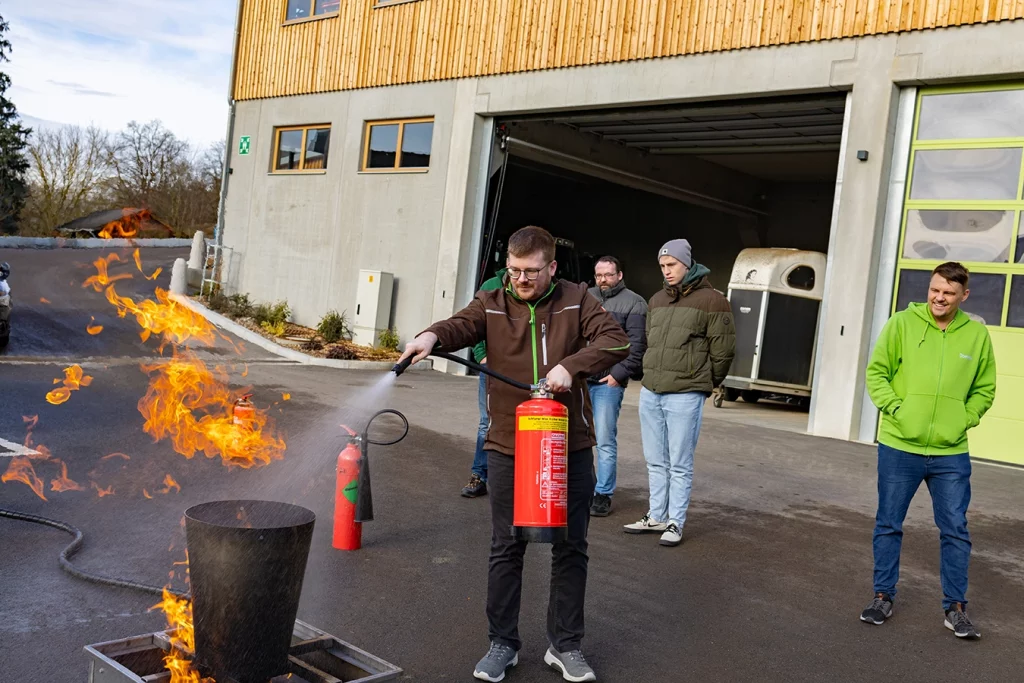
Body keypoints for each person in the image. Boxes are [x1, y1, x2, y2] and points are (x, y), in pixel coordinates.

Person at [398, 225, 629, 683]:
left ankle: (565, 646)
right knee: (506, 546)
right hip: (508, 443)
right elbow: (459, 324)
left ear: (552, 267)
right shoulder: (492, 300)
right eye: (514, 271)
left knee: (570, 547)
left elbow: (616, 342)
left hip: (569, 445)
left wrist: (570, 366)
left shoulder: (578, 298)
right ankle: (502, 643)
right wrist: (430, 337)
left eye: (530, 271)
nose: (520, 280)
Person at [860, 261, 996, 639]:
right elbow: (877, 373)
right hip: (899, 445)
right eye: (935, 289)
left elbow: (985, 389)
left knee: (955, 528)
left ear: (963, 296)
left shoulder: (976, 335)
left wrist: (963, 419)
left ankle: (955, 607)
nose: (939, 297)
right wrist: (899, 410)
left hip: (951, 451)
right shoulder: (902, 324)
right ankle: (882, 595)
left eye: (949, 293)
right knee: (888, 523)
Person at [624, 239, 735, 547]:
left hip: (686, 392)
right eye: (662, 266)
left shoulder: (713, 300)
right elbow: (648, 342)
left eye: (671, 265)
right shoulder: (657, 299)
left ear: (687, 263)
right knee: (655, 460)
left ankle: (675, 522)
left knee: (680, 462)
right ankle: (656, 515)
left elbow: (724, 349)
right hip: (652, 390)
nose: (666, 271)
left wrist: (705, 382)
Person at [586, 256, 647, 517]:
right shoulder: (586, 297)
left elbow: (637, 346)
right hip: (579, 380)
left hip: (607, 383)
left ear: (619, 275)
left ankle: (603, 494)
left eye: (609, 275)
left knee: (604, 440)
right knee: (577, 439)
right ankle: (583, 488)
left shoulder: (635, 303)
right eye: (599, 275)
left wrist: (617, 375)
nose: (603, 280)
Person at [462, 267, 507, 498]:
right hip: (491, 370)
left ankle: (515, 482)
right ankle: (479, 475)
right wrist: (482, 356)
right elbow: (473, 324)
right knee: (486, 423)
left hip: (522, 372)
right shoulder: (490, 287)